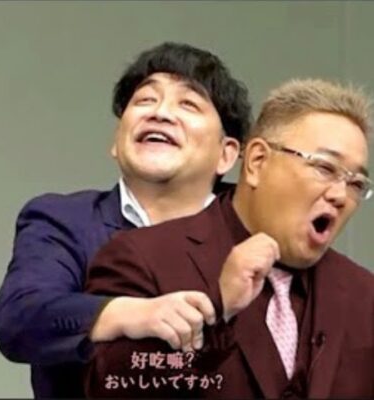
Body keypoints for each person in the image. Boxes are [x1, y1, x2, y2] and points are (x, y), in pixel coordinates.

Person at [0, 42, 252, 398]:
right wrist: (129, 314)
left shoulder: (256, 233)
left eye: (188, 104)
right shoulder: (65, 220)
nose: (160, 113)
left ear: (227, 154)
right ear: (116, 141)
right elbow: (18, 317)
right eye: (145, 100)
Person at [85, 78, 374, 399]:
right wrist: (217, 308)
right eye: (325, 168)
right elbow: (111, 385)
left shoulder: (364, 294)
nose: (340, 195)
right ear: (257, 162)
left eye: (356, 184)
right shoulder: (141, 257)